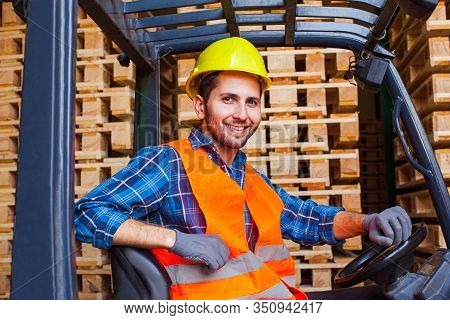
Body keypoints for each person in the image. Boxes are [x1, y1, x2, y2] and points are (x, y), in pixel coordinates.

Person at [74, 37, 412, 300]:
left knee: (386, 299)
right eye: (228, 99)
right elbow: (87, 214)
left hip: (268, 303)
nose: (242, 114)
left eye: (251, 102)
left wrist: (367, 222)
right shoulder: (168, 163)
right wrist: (175, 240)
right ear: (200, 105)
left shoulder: (249, 179)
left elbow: (306, 219)